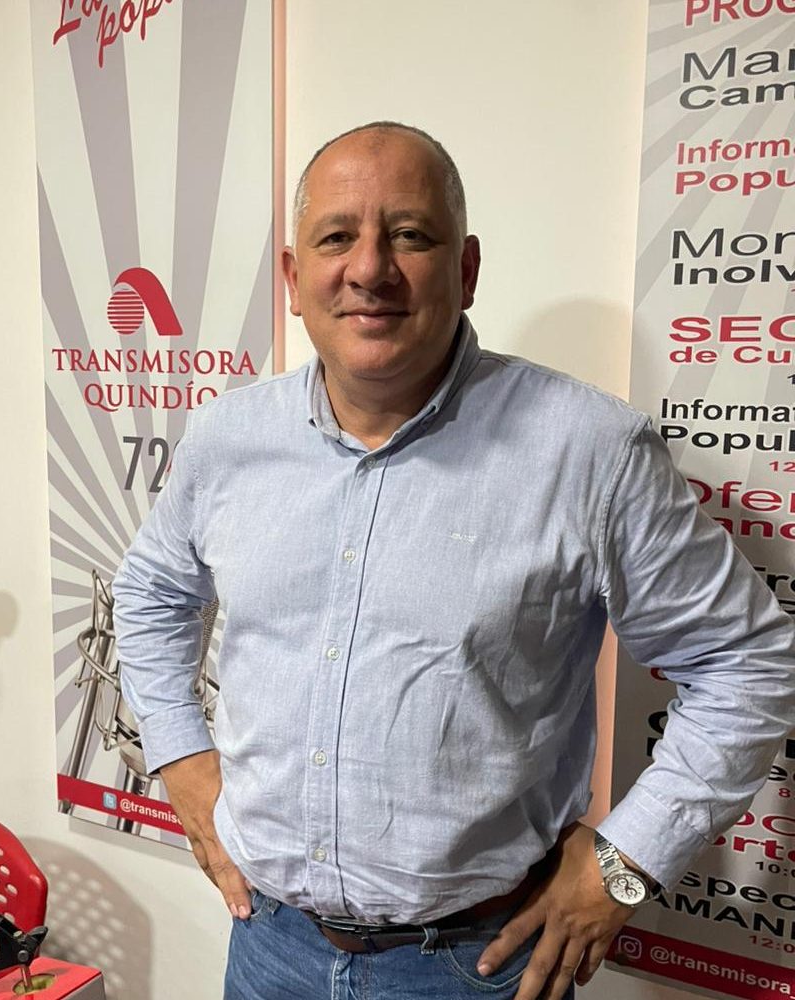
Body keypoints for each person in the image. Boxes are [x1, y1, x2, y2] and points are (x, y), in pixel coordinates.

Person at [112, 122, 795, 1000]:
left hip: (477, 969)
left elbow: (747, 664)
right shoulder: (226, 438)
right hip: (268, 947)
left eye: (409, 234)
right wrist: (180, 758)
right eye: (336, 237)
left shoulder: (589, 450)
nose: (369, 269)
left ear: (466, 269)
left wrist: (626, 868)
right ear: (293, 278)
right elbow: (151, 590)